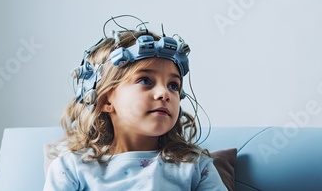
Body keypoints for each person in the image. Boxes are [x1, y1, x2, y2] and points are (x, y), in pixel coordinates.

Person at [44, 17, 227, 190]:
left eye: (173, 85)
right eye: (145, 81)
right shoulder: (71, 168)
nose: (165, 93)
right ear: (106, 99)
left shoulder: (195, 167)